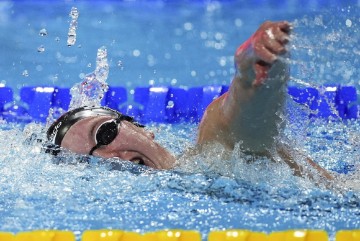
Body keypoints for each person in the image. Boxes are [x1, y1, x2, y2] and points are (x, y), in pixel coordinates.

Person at [47, 21, 334, 183]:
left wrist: (254, 76)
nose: (108, 159)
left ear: (142, 129)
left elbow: (243, 125)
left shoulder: (208, 157)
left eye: (104, 133)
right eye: (88, 163)